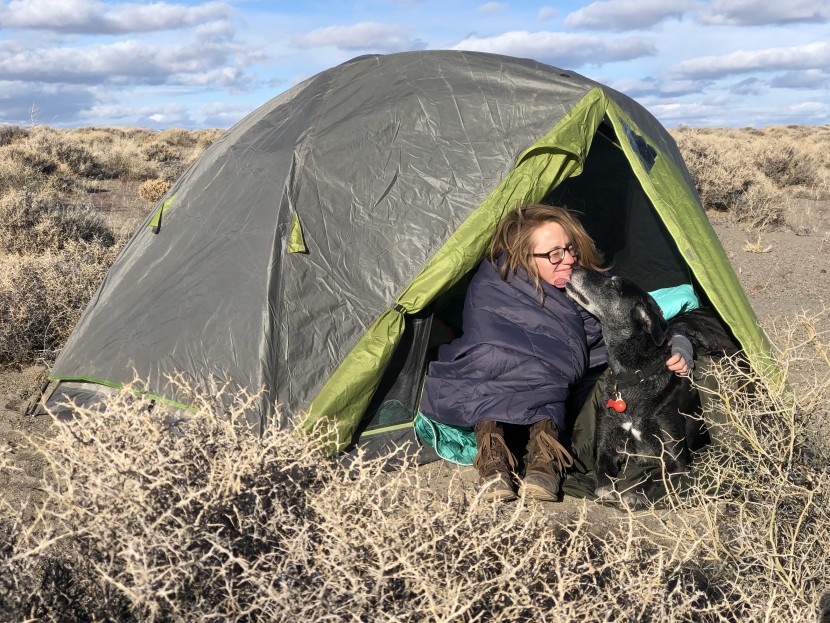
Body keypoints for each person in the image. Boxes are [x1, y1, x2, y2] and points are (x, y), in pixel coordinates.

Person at [419, 203, 692, 502]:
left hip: (564, 382)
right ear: (523, 259)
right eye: (553, 254)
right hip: (501, 365)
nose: (569, 260)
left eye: (571, 249)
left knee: (551, 374)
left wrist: (680, 342)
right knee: (492, 358)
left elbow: (648, 316)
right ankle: (492, 450)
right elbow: (488, 337)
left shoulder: (590, 284)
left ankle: (543, 450)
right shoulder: (496, 284)